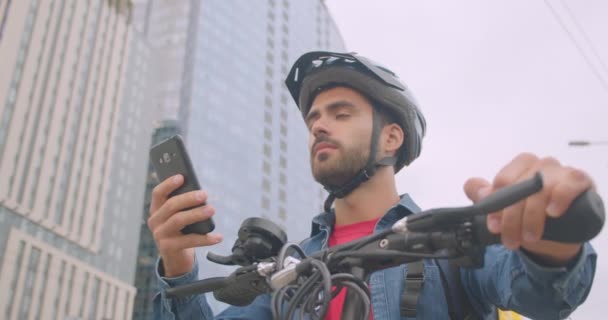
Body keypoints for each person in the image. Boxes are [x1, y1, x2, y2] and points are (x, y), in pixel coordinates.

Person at [150, 51, 597, 320]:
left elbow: (542, 292)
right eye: (314, 118)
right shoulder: (291, 268)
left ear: (392, 136)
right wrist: (176, 260)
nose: (319, 126)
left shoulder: (447, 243)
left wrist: (554, 231)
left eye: (340, 113)